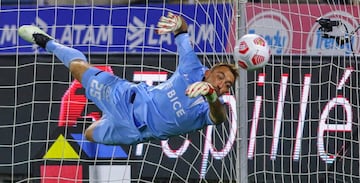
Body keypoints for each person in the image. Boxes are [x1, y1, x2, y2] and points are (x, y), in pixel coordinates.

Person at [18, 12, 239, 145]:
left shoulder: (210, 108)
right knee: (77, 67)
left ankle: (106, 118)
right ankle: (47, 42)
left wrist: (210, 95)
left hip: (133, 133)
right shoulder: (192, 66)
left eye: (226, 84)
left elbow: (219, 118)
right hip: (124, 97)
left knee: (89, 134)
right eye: (220, 77)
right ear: (209, 71)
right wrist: (177, 24)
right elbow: (182, 29)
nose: (221, 84)